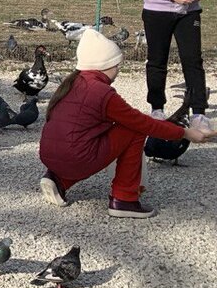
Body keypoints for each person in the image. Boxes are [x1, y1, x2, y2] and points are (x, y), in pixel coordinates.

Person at [38, 28, 208, 218]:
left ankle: (59, 180)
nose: (118, 71)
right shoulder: (102, 93)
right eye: (116, 65)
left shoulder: (70, 84)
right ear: (105, 65)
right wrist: (185, 133)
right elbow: (142, 123)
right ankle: (124, 198)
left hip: (49, 157)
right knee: (134, 129)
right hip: (76, 159)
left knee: (86, 138)